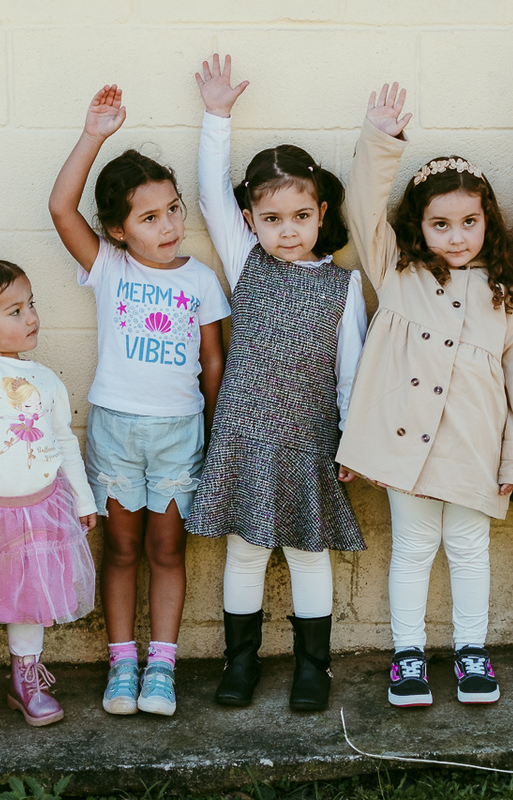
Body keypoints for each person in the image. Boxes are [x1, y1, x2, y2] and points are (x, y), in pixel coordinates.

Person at [337, 82, 513, 707]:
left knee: (468, 549)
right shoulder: (398, 275)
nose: (456, 237)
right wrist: (380, 140)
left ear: (488, 221)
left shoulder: (506, 296)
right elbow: (362, 208)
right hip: (407, 451)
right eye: (440, 224)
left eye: (468, 223)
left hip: (474, 449)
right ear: (418, 226)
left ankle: (471, 652)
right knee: (411, 548)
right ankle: (407, 655)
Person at [186, 54, 367, 712]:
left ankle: (311, 668)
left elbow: (352, 372)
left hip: (310, 438)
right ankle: (240, 663)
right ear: (252, 221)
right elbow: (210, 192)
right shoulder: (246, 262)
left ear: (321, 213)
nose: (285, 231)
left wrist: (350, 440)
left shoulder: (343, 289)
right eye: (271, 219)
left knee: (309, 555)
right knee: (245, 552)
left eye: (299, 217)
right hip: (245, 433)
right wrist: (217, 117)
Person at [49, 85, 230, 717]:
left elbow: (213, 362)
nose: (170, 225)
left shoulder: (201, 279)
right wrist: (94, 133)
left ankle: (162, 668)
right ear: (118, 231)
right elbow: (60, 208)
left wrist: (216, 429)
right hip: (116, 430)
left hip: (180, 433)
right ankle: (121, 664)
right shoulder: (110, 268)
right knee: (121, 549)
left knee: (167, 551)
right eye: (150, 217)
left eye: (174, 209)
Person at [0, 213, 98, 743]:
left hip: (41, 509)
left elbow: (64, 444)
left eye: (31, 305)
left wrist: (83, 500)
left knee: (30, 602)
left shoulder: (46, 380)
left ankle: (25, 680)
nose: (30, 317)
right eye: (14, 309)